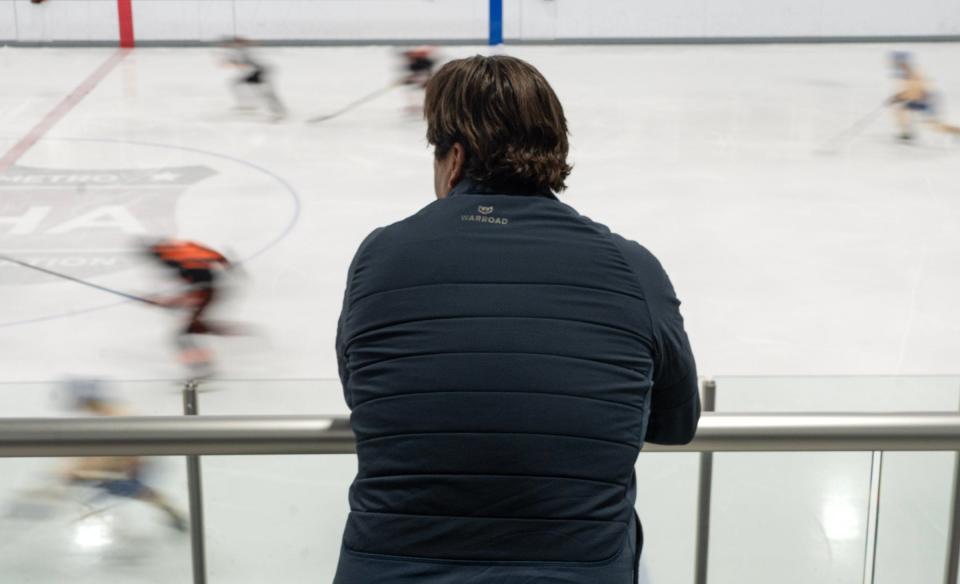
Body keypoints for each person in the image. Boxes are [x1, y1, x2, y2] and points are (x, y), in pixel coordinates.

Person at [334, 55, 700, 584]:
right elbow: (675, 423)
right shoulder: (632, 267)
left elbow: (367, 395)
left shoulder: (380, 255)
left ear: (453, 158)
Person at [7, 378, 188, 532]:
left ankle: (36, 503)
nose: (82, 407)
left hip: (125, 470)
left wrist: (82, 469)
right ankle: (171, 513)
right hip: (121, 469)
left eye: (83, 403)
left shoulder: (117, 416)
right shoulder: (106, 414)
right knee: (141, 493)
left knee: (138, 491)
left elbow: (121, 453)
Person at [145, 239, 232, 378]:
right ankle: (204, 366)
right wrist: (225, 263)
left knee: (183, 335)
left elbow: (191, 295)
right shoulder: (185, 247)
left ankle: (204, 368)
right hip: (208, 289)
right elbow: (214, 256)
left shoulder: (178, 264)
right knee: (191, 330)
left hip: (205, 293)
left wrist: (161, 302)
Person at [888, 51, 960, 142]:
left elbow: (915, 92)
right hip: (919, 100)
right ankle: (906, 133)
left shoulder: (913, 74)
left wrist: (899, 98)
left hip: (927, 101)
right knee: (901, 110)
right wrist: (897, 96)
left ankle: (957, 130)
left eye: (898, 62)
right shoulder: (906, 73)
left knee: (935, 126)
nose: (896, 65)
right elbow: (909, 90)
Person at [222, 36, 287, 121]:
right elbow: (244, 62)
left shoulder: (245, 50)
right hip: (256, 72)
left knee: (266, 93)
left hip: (261, 71)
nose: (233, 46)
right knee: (235, 84)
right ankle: (248, 104)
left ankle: (279, 112)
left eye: (234, 44)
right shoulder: (242, 50)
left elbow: (246, 62)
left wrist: (232, 62)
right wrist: (232, 61)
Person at [399, 46, 437, 114]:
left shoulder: (424, 62)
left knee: (426, 92)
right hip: (420, 79)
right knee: (413, 92)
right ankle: (416, 105)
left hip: (426, 79)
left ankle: (427, 105)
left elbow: (428, 72)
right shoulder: (412, 64)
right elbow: (413, 74)